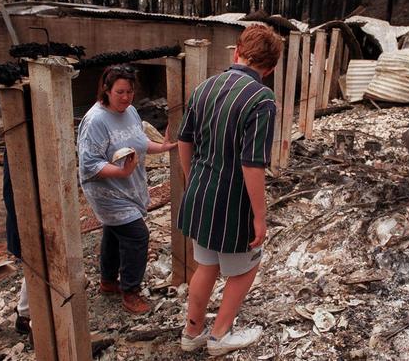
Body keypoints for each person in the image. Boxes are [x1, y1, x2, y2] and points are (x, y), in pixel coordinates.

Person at [177, 24, 283, 355]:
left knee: (206, 264)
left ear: (237, 52)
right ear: (272, 68)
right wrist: (260, 217)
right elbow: (253, 164)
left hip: (199, 195)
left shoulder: (205, 87)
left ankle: (191, 331)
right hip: (231, 204)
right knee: (246, 267)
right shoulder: (261, 98)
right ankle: (219, 335)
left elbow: (184, 139)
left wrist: (192, 176)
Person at [77, 64, 177, 314]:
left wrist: (162, 147)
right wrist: (121, 172)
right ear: (107, 90)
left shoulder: (131, 111)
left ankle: (108, 281)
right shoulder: (96, 120)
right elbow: (89, 165)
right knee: (136, 235)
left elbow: (139, 142)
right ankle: (130, 291)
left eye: (130, 91)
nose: (125, 97)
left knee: (114, 232)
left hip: (128, 185)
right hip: (107, 192)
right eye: (120, 92)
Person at [3, 151, 31, 335]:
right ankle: (24, 315)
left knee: (40, 266)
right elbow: (12, 195)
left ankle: (25, 311)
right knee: (38, 266)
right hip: (27, 223)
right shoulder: (17, 147)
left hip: (32, 219)